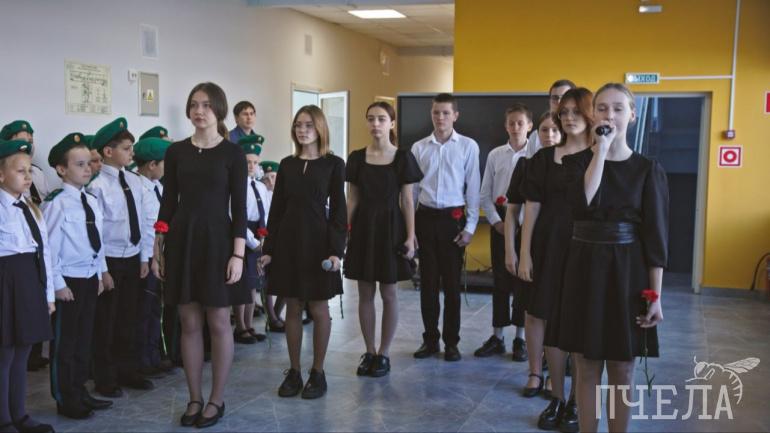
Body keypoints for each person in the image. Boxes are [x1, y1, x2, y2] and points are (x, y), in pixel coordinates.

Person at [557, 83, 668, 432]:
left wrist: (655, 296)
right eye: (602, 108)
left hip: (627, 272)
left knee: (623, 366)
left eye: (619, 108)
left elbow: (655, 238)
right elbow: (582, 204)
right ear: (593, 115)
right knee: (585, 364)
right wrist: (601, 151)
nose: (610, 115)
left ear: (632, 115)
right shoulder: (574, 163)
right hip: (583, 268)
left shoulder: (647, 169)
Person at [153, 82, 248, 428]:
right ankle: (194, 397)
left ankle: (216, 399)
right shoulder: (176, 152)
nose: (199, 111)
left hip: (218, 241)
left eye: (206, 105)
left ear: (218, 109)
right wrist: (157, 247)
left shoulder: (233, 154)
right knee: (189, 322)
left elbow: (240, 208)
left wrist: (238, 255)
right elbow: (168, 202)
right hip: (182, 240)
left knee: (219, 321)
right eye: (194, 104)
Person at [258, 105, 347, 399]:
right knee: (293, 307)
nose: (302, 130)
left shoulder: (334, 164)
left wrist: (336, 251)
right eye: (298, 124)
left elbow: (339, 211)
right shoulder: (287, 164)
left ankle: (317, 372)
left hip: (319, 244)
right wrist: (269, 249)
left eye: (309, 125)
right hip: (288, 243)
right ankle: (294, 371)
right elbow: (276, 210)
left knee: (319, 309)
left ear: (320, 128)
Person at [520, 90, 593, 429]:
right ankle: (558, 398)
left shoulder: (600, 156)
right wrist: (524, 253)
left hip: (585, 248)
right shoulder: (542, 158)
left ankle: (577, 400)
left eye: (576, 111)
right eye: (564, 112)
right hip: (547, 246)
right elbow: (531, 207)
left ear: (590, 114)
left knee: (576, 326)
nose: (569, 117)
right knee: (548, 320)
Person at [345, 101, 422, 377]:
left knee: (389, 293)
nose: (375, 124)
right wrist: (343, 231)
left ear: (392, 123)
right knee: (365, 293)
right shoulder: (356, 158)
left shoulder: (403, 157)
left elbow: (408, 200)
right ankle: (369, 351)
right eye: (371, 119)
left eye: (381, 119)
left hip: (391, 228)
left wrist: (411, 237)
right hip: (364, 228)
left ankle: (384, 353)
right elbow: (352, 199)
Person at [43, 133, 114, 419]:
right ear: (61, 169)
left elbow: (97, 242)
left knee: (84, 340)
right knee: (66, 343)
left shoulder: (91, 200)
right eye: (80, 164)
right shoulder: (56, 203)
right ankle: (65, 397)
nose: (88, 169)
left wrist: (100, 274)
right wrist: (58, 285)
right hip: (68, 282)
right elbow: (48, 249)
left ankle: (80, 390)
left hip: (88, 278)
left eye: (89, 163)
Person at [410, 93, 480, 361]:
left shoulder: (468, 146)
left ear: (455, 116)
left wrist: (470, 226)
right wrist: (410, 230)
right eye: (436, 113)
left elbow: (473, 188)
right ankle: (430, 340)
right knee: (427, 284)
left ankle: (452, 342)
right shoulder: (419, 148)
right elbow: (412, 192)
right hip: (425, 219)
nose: (440, 118)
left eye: (446, 113)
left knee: (451, 286)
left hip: (453, 220)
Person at [87, 118, 154, 398]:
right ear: (108, 151)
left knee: (129, 316)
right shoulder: (97, 186)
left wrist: (144, 258)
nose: (131, 153)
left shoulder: (135, 182)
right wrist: (102, 270)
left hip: (133, 257)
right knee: (107, 320)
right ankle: (105, 376)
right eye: (126, 149)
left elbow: (144, 221)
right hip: (110, 260)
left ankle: (128, 369)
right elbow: (96, 233)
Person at [0, 138, 55, 433]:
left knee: (23, 351)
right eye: (20, 171)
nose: (27, 177)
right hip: (4, 283)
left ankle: (20, 414)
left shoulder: (32, 208)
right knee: (4, 354)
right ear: (1, 175)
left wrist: (48, 294)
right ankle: (4, 419)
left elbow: (44, 252)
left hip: (30, 281)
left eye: (29, 171)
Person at [474, 104, 532, 363]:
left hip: (528, 224)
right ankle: (497, 336)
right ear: (505, 126)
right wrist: (497, 222)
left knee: (524, 282)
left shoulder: (536, 154)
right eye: (511, 123)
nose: (516, 127)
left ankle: (521, 338)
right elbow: (485, 194)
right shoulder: (496, 155)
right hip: (500, 222)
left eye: (520, 123)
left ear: (529, 126)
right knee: (500, 282)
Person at [133, 137, 173, 378]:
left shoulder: (158, 187)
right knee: (143, 311)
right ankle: (142, 360)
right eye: (165, 163)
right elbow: (139, 228)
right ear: (152, 165)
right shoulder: (138, 189)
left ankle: (154, 354)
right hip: (146, 258)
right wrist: (145, 259)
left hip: (160, 256)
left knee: (156, 310)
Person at [233, 135, 270, 344]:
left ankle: (249, 325)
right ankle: (240, 327)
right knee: (243, 284)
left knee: (254, 284)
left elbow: (267, 213)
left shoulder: (260, 187)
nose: (251, 166)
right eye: (248, 162)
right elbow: (236, 216)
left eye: (255, 162)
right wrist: (253, 242)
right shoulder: (237, 185)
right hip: (244, 236)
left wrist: (265, 238)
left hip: (259, 234)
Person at [257, 161, 285, 332]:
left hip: (281, 239)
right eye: (268, 178)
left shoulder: (281, 194)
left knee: (285, 279)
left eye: (274, 177)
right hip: (266, 239)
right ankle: (272, 317)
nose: (271, 182)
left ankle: (276, 313)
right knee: (267, 280)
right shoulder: (261, 192)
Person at [526, 80, 576, 158]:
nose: (559, 101)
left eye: (564, 97)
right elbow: (529, 163)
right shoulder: (536, 136)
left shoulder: (583, 134)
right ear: (550, 101)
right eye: (555, 98)